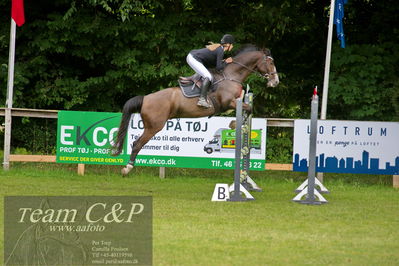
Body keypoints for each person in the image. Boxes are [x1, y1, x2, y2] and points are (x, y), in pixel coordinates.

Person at [186, 34, 235, 108]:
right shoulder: (220, 50)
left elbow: (215, 64)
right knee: (208, 76)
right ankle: (202, 100)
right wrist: (226, 62)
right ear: (228, 44)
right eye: (232, 44)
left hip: (192, 56)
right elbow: (218, 68)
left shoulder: (219, 49)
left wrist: (224, 61)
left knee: (207, 74)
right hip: (193, 58)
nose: (232, 46)